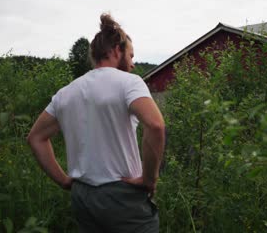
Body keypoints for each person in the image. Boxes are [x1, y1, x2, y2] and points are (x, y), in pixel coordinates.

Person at [27, 13, 165, 233]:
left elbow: (35, 138)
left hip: (83, 198)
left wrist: (64, 180)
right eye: (130, 55)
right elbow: (155, 125)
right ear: (116, 51)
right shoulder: (129, 83)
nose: (132, 64)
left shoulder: (66, 93)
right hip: (122, 197)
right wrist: (149, 179)